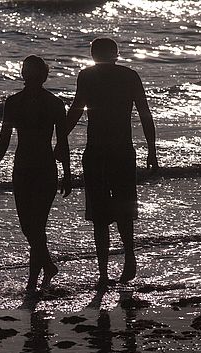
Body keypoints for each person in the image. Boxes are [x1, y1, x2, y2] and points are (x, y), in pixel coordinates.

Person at [59, 37, 158, 288]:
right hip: (122, 150)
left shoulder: (87, 76)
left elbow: (76, 109)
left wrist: (61, 139)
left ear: (92, 55)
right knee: (124, 209)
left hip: (97, 151)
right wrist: (152, 149)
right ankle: (129, 258)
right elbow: (145, 112)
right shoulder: (129, 75)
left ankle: (104, 273)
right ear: (116, 54)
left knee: (99, 213)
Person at [0, 55, 72, 292]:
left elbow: (62, 142)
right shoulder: (13, 102)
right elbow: (4, 139)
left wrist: (67, 173)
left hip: (45, 168)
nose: (30, 76)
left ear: (43, 75)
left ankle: (33, 281)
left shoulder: (55, 103)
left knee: (37, 226)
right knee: (28, 226)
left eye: (35, 72)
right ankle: (48, 265)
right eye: (27, 71)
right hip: (22, 168)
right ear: (23, 74)